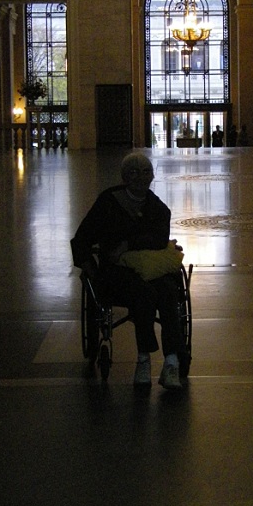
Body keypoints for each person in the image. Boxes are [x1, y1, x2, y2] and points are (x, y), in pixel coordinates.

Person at [70, 153, 185, 390]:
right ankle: (144, 359)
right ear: (124, 177)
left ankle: (171, 362)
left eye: (145, 172)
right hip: (117, 271)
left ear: (152, 176)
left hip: (151, 270)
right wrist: (88, 266)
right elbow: (81, 238)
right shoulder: (108, 203)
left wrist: (128, 245)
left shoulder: (158, 208)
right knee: (143, 293)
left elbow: (160, 238)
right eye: (133, 172)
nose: (140, 177)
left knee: (168, 293)